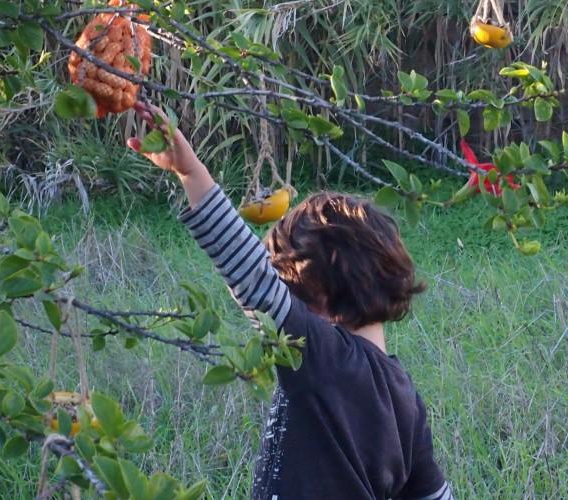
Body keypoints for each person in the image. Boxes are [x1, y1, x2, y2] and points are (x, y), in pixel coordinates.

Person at [128, 101, 452, 500]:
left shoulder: (325, 358)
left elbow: (251, 278)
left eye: (289, 284)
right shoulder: (406, 397)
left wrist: (191, 173)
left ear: (320, 285)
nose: (285, 300)